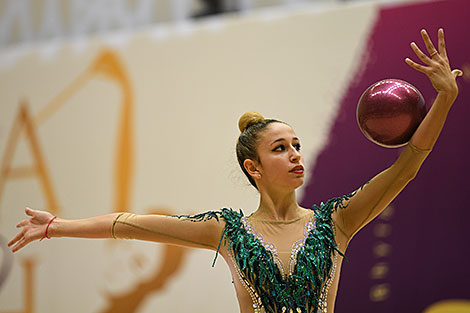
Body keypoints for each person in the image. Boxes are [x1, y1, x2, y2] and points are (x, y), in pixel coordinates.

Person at [8, 29, 462, 313]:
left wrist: (445, 99)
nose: (295, 155)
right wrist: (57, 227)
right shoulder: (228, 231)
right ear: (254, 167)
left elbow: (406, 166)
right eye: (281, 148)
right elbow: (130, 225)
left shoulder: (336, 222)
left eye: (298, 145)